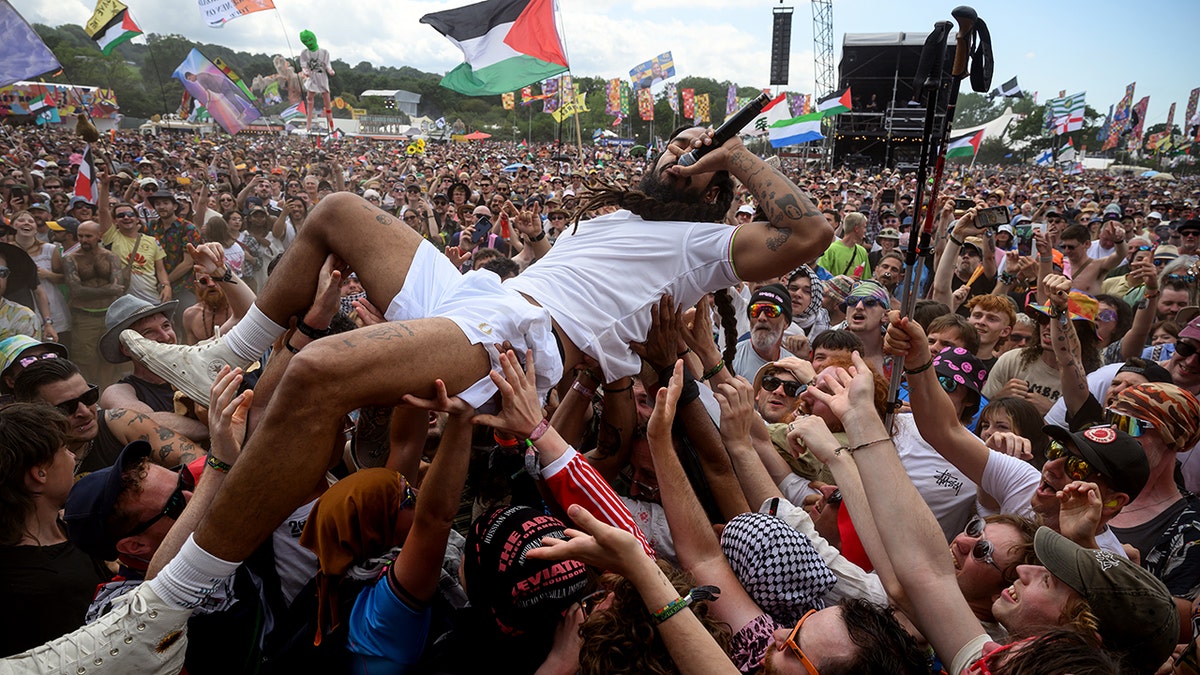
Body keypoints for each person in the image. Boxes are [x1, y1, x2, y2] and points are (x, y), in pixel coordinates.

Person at [116, 127, 836, 648]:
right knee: (336, 210)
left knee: (315, 370)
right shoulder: (613, 215)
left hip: (517, 335)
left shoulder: (697, 246)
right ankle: (223, 358)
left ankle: (166, 601)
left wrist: (734, 156)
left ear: (711, 196)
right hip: (481, 296)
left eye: (696, 155)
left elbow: (810, 234)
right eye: (677, 145)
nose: (683, 153)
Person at [791, 352, 1179, 675]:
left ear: (1080, 642)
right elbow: (921, 573)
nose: (1025, 569)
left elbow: (920, 578)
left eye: (1050, 581)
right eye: (1059, 453)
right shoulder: (991, 663)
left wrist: (854, 434)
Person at [0, 403, 111, 656]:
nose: (73, 457)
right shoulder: (47, 585)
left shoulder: (64, 526)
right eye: (64, 450)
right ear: (39, 473)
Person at [14, 357, 202, 474]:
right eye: (66, 407)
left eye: (89, 397)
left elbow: (195, 459)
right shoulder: (20, 458)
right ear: (34, 414)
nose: (85, 412)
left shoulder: (120, 423)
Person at [63, 220, 124, 386]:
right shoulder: (71, 259)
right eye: (80, 236)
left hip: (109, 316)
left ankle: (106, 391)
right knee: (84, 359)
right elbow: (76, 290)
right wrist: (109, 289)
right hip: (84, 317)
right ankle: (90, 391)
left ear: (99, 236)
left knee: (109, 358)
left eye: (88, 236)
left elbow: (119, 288)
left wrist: (108, 290)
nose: (84, 240)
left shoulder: (110, 257)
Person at [732, 283, 794, 378]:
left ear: (786, 323)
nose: (761, 318)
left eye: (771, 311)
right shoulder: (731, 358)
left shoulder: (794, 368)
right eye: (755, 310)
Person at [299, 30, 335, 132]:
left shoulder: (324, 52)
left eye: (310, 39)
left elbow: (328, 64)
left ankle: (331, 125)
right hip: (312, 77)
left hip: (322, 77)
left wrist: (330, 70)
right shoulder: (304, 53)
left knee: (327, 102)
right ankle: (308, 125)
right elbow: (303, 65)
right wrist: (305, 71)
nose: (308, 42)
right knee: (309, 99)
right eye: (305, 41)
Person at [818, 211, 871, 279]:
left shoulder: (862, 251)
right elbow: (821, 277)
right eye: (864, 227)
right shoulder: (831, 249)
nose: (865, 231)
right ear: (856, 229)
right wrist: (844, 280)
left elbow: (866, 280)